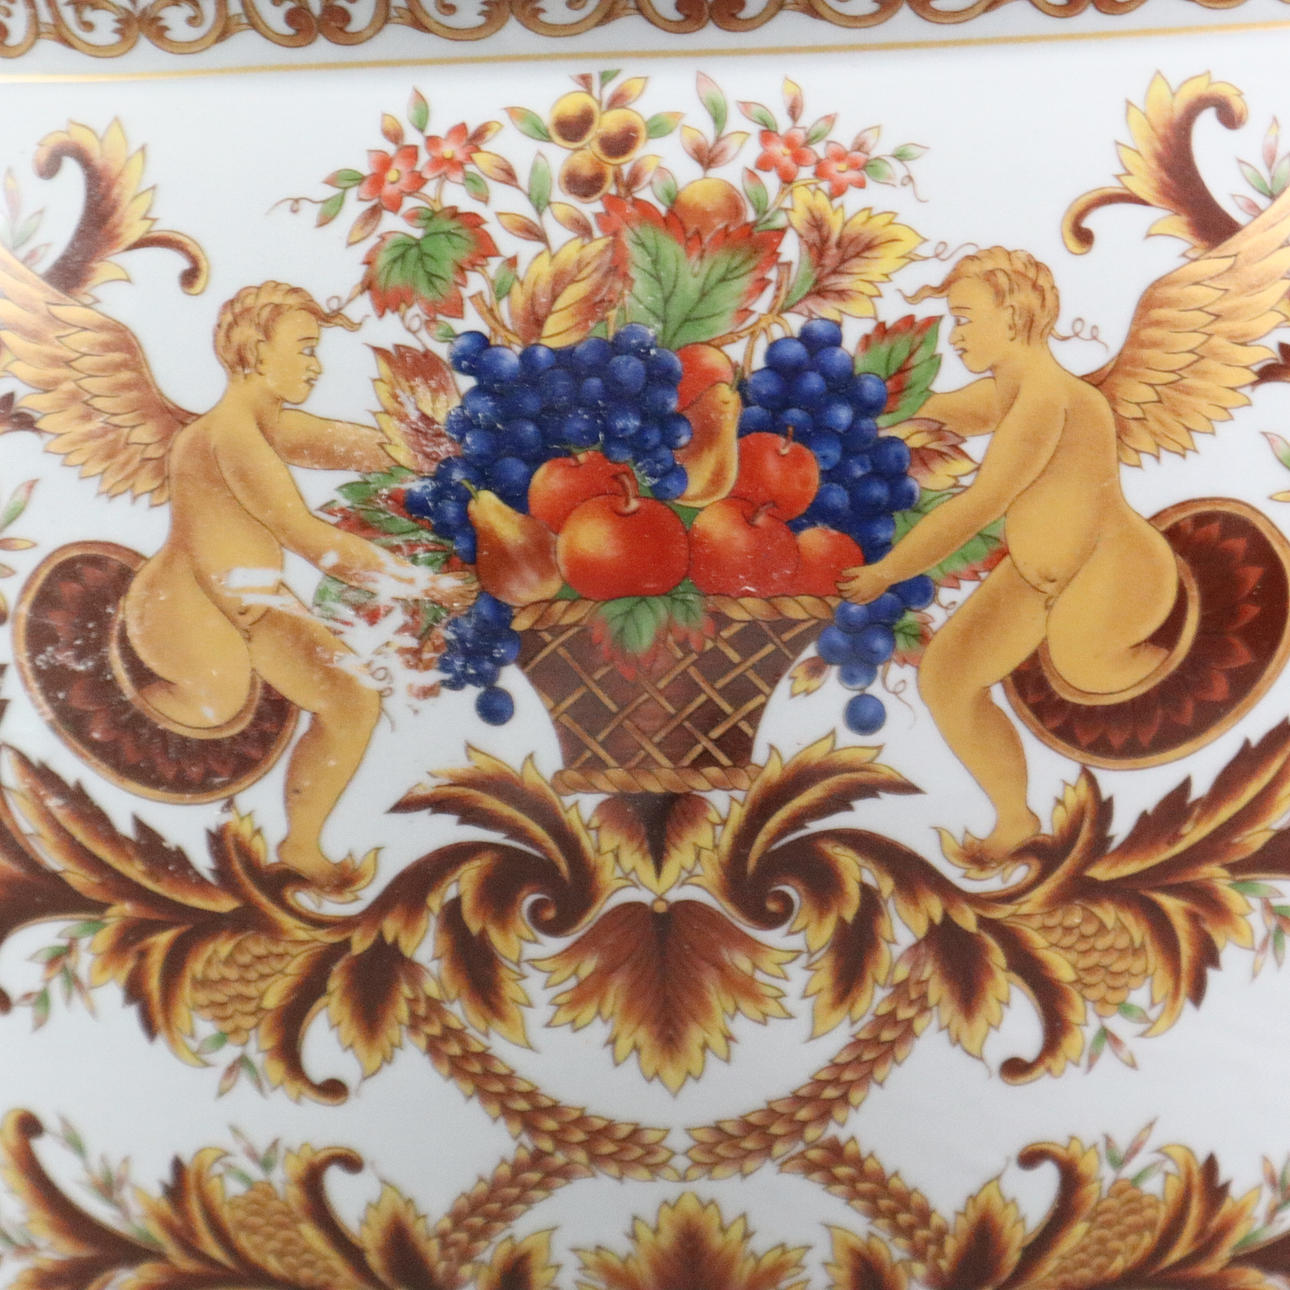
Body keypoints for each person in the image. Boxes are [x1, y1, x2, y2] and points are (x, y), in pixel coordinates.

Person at [123, 282, 467, 887]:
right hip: (187, 610)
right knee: (219, 700)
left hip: (250, 604)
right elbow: (309, 538)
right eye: (305, 348)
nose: (316, 365)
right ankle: (113, 733)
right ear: (258, 351)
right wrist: (422, 586)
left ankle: (301, 846)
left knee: (351, 701)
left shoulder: (266, 423)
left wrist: (432, 453)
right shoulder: (230, 434)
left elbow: (347, 446)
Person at [839, 248, 1178, 859]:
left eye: (966, 319)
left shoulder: (1047, 398)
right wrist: (884, 414)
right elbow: (960, 411)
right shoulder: (1013, 389)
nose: (955, 335)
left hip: (1114, 569)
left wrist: (890, 571)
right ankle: (1015, 819)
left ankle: (1198, 664)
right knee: (948, 678)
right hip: (1039, 578)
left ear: (1014, 317)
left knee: (1081, 661)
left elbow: (981, 504)